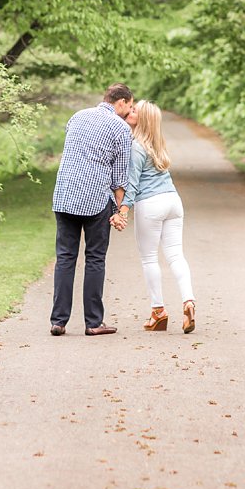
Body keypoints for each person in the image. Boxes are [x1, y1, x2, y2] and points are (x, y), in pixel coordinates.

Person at [49, 82, 135, 336]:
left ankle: (58, 321)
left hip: (64, 194)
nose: (129, 113)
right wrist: (121, 211)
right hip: (95, 199)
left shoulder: (77, 117)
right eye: (129, 107)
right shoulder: (120, 128)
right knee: (95, 258)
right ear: (121, 102)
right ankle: (94, 323)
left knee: (65, 257)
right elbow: (119, 179)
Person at [116, 100, 196, 334]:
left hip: (151, 203)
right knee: (175, 256)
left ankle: (158, 312)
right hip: (173, 201)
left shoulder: (136, 147)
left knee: (150, 259)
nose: (130, 112)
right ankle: (188, 301)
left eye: (134, 110)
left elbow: (131, 184)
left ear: (141, 119)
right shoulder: (157, 144)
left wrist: (123, 211)